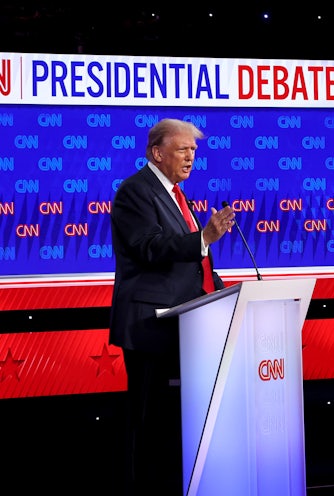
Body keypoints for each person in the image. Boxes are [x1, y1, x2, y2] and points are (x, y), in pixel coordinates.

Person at [109, 118, 235, 495]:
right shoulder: (135, 192)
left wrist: (222, 292)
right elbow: (150, 247)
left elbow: (192, 264)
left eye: (194, 150)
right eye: (183, 149)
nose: (190, 157)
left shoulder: (177, 195)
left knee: (172, 423)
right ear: (157, 152)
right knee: (147, 423)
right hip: (151, 326)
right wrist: (205, 237)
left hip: (184, 326)